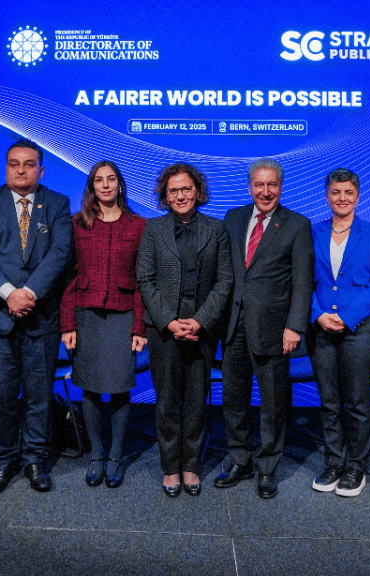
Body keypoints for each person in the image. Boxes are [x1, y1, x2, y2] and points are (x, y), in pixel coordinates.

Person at [0, 138, 72, 494]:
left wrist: (29, 293)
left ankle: (34, 460)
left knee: (39, 395)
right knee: (0, 394)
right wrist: (8, 293)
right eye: (14, 163)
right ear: (6, 168)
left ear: (41, 170)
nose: (21, 170)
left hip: (41, 316)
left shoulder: (57, 203)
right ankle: (1, 461)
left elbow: (60, 253)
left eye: (29, 164)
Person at [216, 158, 313, 499]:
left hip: (274, 329)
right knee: (233, 399)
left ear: (281, 187)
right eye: (259, 184)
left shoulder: (297, 224)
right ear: (250, 187)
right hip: (233, 326)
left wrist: (294, 327)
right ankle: (239, 460)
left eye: (272, 185)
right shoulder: (233, 218)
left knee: (272, 403)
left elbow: (303, 282)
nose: (266, 191)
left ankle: (268, 467)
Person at [137, 163, 232, 498]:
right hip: (164, 330)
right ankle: (170, 467)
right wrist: (169, 321)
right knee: (166, 401)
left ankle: (191, 464)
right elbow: (145, 280)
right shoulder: (152, 229)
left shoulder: (217, 229)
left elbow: (224, 281)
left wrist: (200, 321)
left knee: (196, 400)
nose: (180, 196)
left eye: (186, 189)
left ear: (198, 192)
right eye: (173, 190)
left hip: (202, 329)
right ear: (165, 195)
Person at [60, 161, 147, 488]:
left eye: (111, 179)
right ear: (92, 187)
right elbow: (67, 277)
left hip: (124, 316)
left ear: (120, 185)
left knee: (121, 385)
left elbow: (143, 280)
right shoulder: (77, 224)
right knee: (90, 385)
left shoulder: (138, 225)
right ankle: (96, 453)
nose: (106, 185)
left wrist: (140, 326)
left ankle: (116, 455)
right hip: (86, 316)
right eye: (99, 180)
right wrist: (67, 323)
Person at [307, 168, 370, 497]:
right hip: (321, 329)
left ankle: (356, 466)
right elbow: (301, 280)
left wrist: (346, 317)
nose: (342, 198)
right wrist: (317, 315)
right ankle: (334, 462)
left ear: (358, 195)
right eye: (335, 192)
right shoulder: (312, 232)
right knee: (329, 402)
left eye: (348, 192)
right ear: (326, 196)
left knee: (357, 402)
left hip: (360, 330)